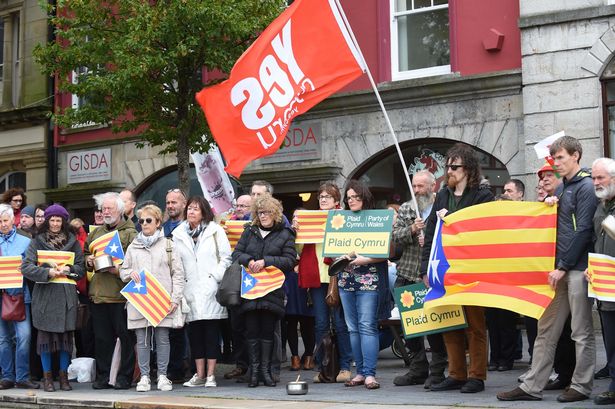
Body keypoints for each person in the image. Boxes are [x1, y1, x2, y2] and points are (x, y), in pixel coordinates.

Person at [497, 135, 597, 402]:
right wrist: (549, 205)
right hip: (559, 269)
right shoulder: (564, 188)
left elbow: (585, 230)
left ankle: (581, 386)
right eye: (555, 158)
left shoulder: (586, 187)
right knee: (546, 330)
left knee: (581, 331)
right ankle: (531, 386)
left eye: (561, 157)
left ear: (576, 155)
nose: (557, 163)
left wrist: (562, 266)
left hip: (576, 269)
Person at [420, 143, 494, 393]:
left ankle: (477, 376)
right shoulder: (442, 194)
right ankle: (456, 373)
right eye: (448, 165)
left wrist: (453, 220)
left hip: (472, 268)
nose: (449, 170)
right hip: (444, 268)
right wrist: (425, 268)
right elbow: (431, 231)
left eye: (454, 166)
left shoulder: (483, 195)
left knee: (475, 325)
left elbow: (485, 231)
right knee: (450, 322)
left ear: (468, 168)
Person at [232, 194, 296, 387]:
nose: (263, 216)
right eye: (260, 213)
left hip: (272, 290)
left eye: (267, 212)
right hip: (250, 289)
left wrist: (266, 261)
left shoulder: (285, 233)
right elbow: (236, 253)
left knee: (267, 332)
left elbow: (290, 260)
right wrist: (249, 261)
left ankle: (267, 372)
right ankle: (254, 373)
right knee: (252, 331)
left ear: (275, 213)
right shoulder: (249, 231)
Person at [119, 204, 185, 392]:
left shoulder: (168, 245)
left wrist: (175, 299)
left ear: (158, 222)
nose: (145, 224)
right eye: (141, 221)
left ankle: (163, 376)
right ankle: (145, 377)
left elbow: (178, 274)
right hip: (139, 300)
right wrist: (130, 272)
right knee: (142, 340)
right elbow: (123, 271)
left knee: (163, 338)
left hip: (162, 299)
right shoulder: (134, 245)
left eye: (149, 220)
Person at [392, 170, 447, 389]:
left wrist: (432, 238)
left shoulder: (441, 207)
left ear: (433, 186)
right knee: (410, 329)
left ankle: (438, 370)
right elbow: (395, 236)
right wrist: (412, 229)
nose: (416, 190)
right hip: (407, 273)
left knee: (435, 327)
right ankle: (417, 369)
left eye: (421, 186)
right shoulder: (407, 208)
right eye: (414, 186)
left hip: (432, 276)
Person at [21, 204, 84, 392]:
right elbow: (26, 267)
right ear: (47, 221)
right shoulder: (36, 241)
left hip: (66, 297)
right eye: (52, 220)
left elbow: (81, 268)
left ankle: (64, 378)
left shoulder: (73, 241)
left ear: (63, 222)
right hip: (45, 296)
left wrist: (69, 269)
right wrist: (48, 271)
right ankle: (48, 378)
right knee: (45, 341)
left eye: (59, 220)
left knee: (66, 341)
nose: (55, 223)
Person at [173, 196, 232, 388]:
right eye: (189, 208)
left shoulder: (216, 231)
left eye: (196, 209)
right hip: (190, 289)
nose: (191, 212)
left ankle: (211, 375)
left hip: (210, 288)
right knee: (195, 334)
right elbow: (176, 263)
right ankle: (199, 375)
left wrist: (215, 276)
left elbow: (226, 258)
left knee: (211, 334)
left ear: (204, 212)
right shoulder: (178, 233)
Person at [338, 180, 390, 390]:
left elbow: (385, 251)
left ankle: (369, 374)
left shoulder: (376, 219)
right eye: (348, 197)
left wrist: (364, 260)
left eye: (355, 196)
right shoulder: (340, 219)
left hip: (369, 280)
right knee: (353, 329)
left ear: (364, 197)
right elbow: (333, 249)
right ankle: (359, 372)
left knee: (367, 326)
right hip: (346, 281)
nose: (351, 200)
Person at [299, 181, 353, 384]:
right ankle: (325, 368)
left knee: (340, 323)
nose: (322, 199)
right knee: (321, 324)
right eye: (321, 196)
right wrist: (298, 230)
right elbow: (300, 250)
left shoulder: (344, 218)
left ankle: (346, 366)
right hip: (318, 277)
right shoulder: (310, 219)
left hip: (337, 276)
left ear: (336, 201)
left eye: (327, 197)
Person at [85, 192, 138, 390]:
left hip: (121, 295)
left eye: (110, 208)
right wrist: (88, 261)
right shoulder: (95, 233)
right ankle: (103, 376)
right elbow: (84, 255)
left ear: (120, 210)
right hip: (98, 294)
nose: (105, 212)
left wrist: (117, 270)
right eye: (103, 208)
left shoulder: (131, 234)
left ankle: (124, 377)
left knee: (125, 338)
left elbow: (136, 263)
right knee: (102, 339)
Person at [487, 178, 524, 372]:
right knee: (492, 321)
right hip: (492, 278)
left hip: (510, 279)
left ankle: (506, 359)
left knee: (507, 321)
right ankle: (494, 358)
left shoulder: (518, 224)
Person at [0, 204, 39, 390]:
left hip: (21, 296)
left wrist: (24, 267)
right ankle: (7, 376)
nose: (2, 224)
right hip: (1, 297)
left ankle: (22, 376)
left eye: (5, 220)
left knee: (24, 336)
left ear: (12, 220)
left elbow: (33, 268)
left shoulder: (25, 241)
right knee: (3, 339)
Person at [588, 157, 615, 405]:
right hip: (605, 284)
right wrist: (591, 268)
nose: (596, 182)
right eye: (594, 178)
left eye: (600, 178)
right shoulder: (601, 205)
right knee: (610, 334)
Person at [160, 188, 188, 383]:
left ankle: (187, 367)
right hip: (166, 284)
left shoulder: (189, 226)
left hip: (187, 283)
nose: (170, 206)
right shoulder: (162, 228)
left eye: (174, 202)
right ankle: (173, 368)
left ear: (183, 204)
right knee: (170, 329)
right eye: (168, 202)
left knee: (186, 328)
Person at [286, 208, 315, 371]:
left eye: (300, 217)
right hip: (291, 280)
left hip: (307, 279)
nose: (296, 219)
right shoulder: (287, 234)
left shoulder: (312, 234)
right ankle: (295, 358)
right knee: (291, 319)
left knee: (308, 321)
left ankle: (309, 357)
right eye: (294, 216)